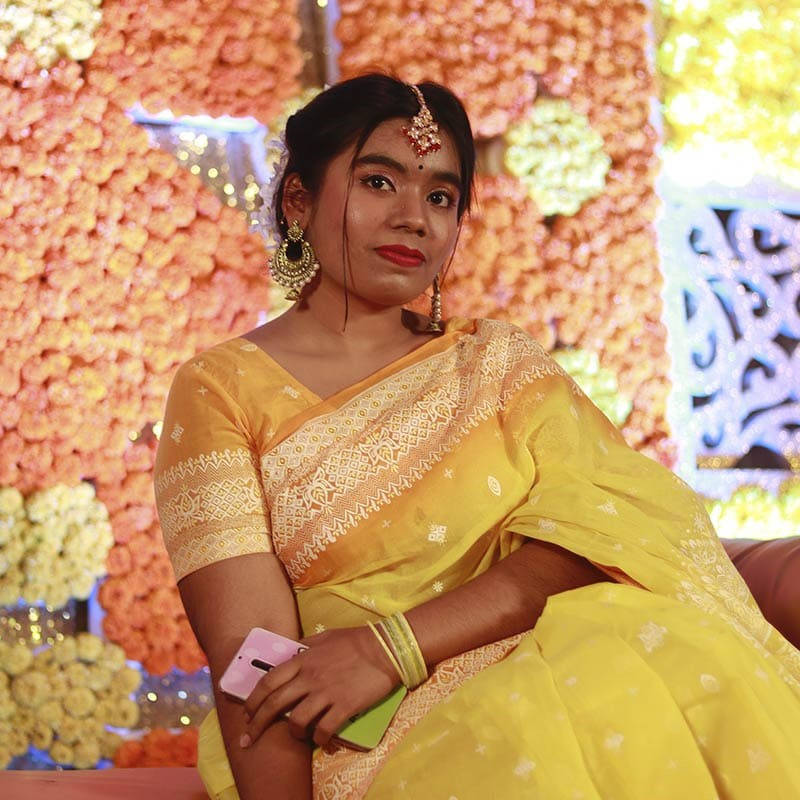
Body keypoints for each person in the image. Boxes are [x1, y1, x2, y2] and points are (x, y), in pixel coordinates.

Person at [153, 74, 800, 800]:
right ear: (299, 200)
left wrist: (393, 647)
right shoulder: (222, 390)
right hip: (372, 738)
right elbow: (254, 659)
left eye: (441, 196)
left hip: (560, 676)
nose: (414, 219)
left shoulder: (499, 366)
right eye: (378, 182)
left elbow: (600, 536)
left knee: (658, 655)